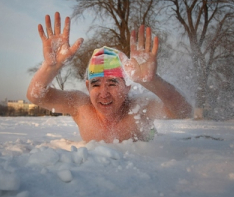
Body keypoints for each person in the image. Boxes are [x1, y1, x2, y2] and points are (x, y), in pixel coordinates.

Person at [27, 12, 191, 143]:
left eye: (112, 83)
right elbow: (36, 96)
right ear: (87, 86)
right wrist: (50, 68)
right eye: (96, 84)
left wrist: (153, 81)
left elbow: (183, 111)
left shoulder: (138, 109)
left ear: (128, 86)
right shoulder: (80, 105)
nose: (103, 93)